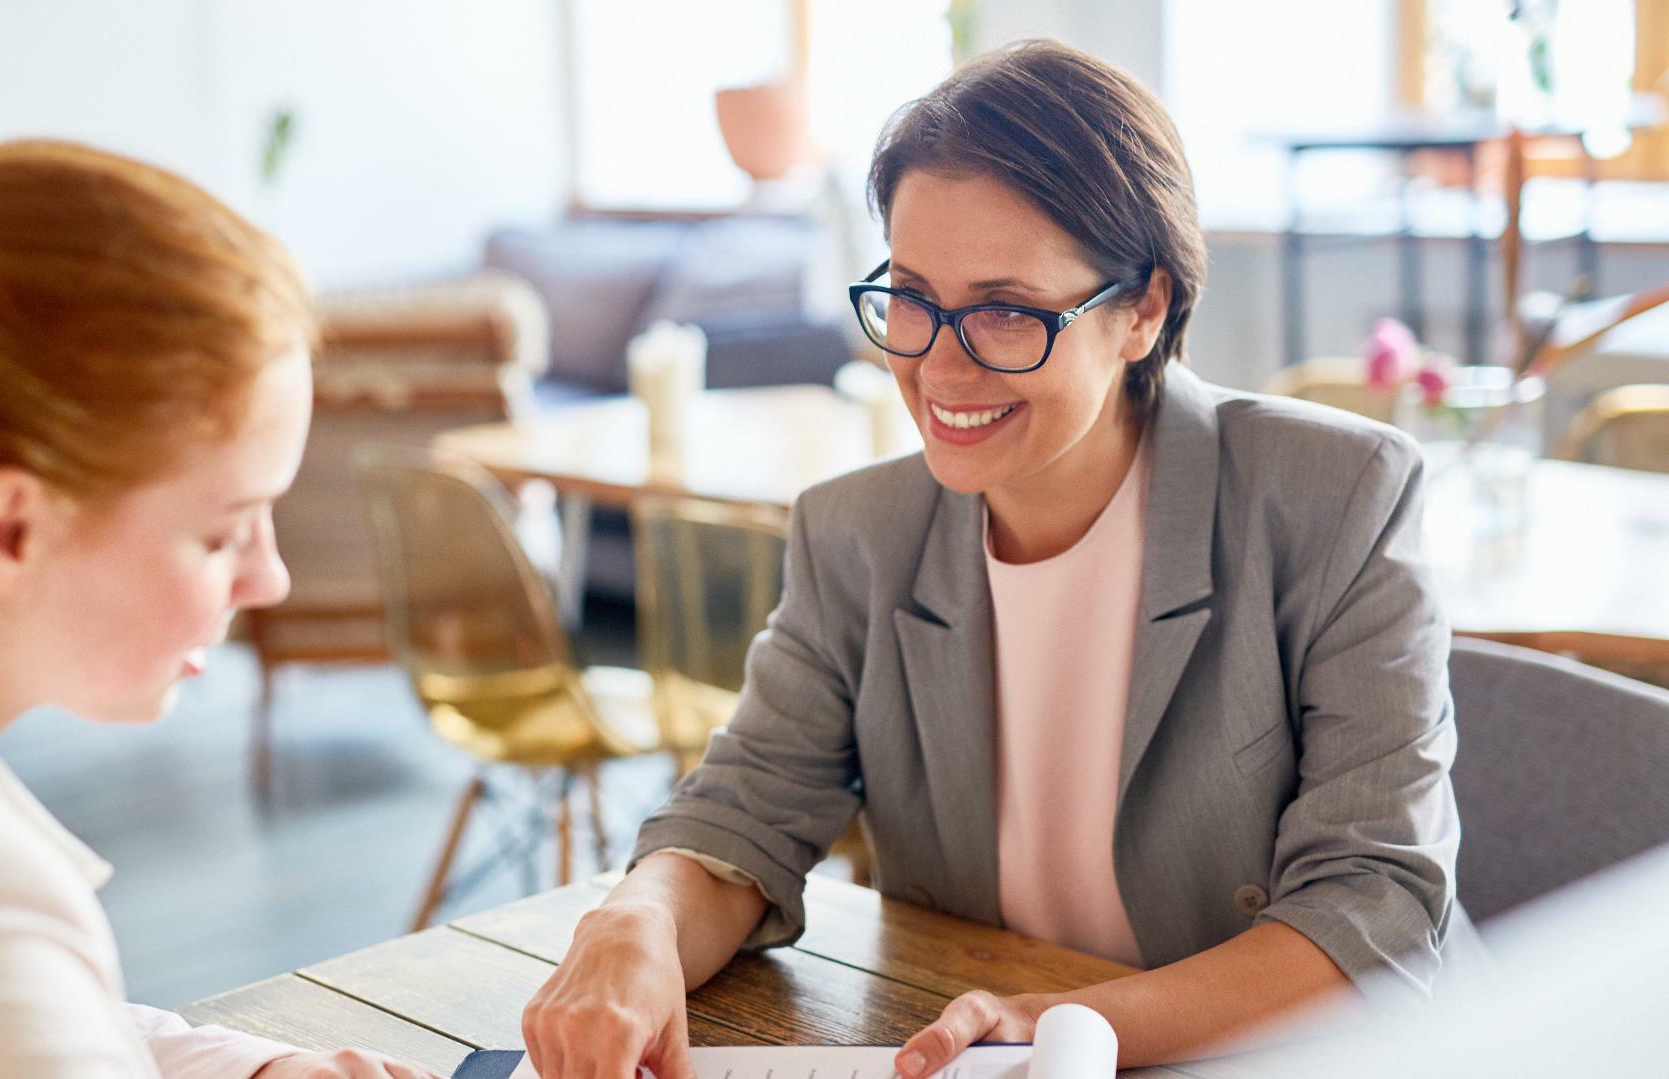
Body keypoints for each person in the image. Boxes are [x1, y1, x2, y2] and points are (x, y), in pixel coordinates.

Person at [523, 38, 1477, 1073]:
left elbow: (1373, 913)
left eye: (1006, 311)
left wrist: (1073, 1022)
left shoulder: (1336, 496)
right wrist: (642, 916)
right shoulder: (858, 535)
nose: (939, 364)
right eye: (911, 295)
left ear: (1144, 309)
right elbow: (743, 812)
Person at [0, 140, 442, 1079]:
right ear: (6, 532)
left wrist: (250, 1069)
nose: (269, 578)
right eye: (223, 531)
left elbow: (11, 1020)